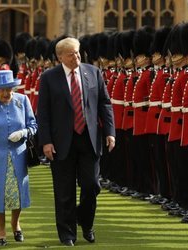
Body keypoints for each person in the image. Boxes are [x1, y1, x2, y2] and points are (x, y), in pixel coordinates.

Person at [37, 37, 115, 246]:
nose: (77, 57)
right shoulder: (48, 78)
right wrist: (45, 142)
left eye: (78, 52)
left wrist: (110, 132)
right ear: (60, 56)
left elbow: (104, 105)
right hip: (61, 141)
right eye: (71, 54)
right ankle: (67, 234)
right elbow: (42, 113)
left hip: (89, 139)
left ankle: (86, 222)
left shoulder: (93, 72)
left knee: (92, 186)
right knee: (64, 191)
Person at [0, 70, 37, 246]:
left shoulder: (22, 101)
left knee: (18, 193)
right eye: (1, 90)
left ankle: (16, 224)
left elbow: (33, 125)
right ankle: (2, 231)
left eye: (9, 89)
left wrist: (23, 132)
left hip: (18, 156)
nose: (6, 93)